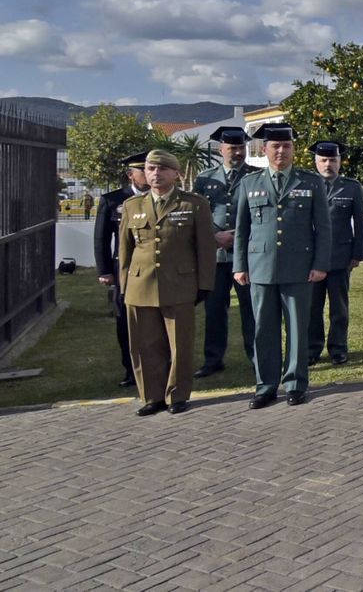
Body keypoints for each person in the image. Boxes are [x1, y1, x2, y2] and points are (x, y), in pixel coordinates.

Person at [232, 123, 331, 408]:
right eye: (275, 146)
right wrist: (240, 265)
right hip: (260, 267)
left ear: (294, 150)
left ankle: (296, 383)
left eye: (286, 146)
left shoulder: (310, 182)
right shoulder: (249, 183)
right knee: (264, 328)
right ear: (265, 150)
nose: (281, 151)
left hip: (299, 266)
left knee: (298, 328)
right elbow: (242, 229)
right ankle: (265, 385)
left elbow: (322, 228)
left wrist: (320, 264)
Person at [117, 150, 216, 415]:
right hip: (140, 285)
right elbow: (125, 250)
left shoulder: (194, 204)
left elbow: (205, 247)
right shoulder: (132, 206)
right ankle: (152, 396)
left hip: (179, 284)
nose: (155, 174)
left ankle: (177, 395)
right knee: (144, 344)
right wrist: (124, 284)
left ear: (176, 173)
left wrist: (204, 283)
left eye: (162, 169)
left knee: (180, 344)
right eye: (150, 169)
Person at [193, 126, 260, 377]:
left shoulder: (256, 176)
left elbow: (261, 213)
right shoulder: (205, 179)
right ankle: (213, 359)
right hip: (217, 257)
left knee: (251, 310)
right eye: (232, 148)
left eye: (241, 148)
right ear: (221, 150)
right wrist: (214, 236)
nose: (237, 153)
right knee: (215, 310)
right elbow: (198, 214)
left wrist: (240, 236)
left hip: (247, 255)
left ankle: (256, 356)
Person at [94, 151, 150, 388]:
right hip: (124, 271)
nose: (149, 174)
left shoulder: (160, 197)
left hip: (154, 270)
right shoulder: (114, 200)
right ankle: (130, 369)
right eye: (143, 171)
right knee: (125, 322)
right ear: (131, 175)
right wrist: (105, 271)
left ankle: (158, 366)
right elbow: (101, 239)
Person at [308, 140, 363, 366]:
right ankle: (312, 349)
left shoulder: (352, 187)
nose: (328, 164)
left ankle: (338, 348)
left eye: (332, 160)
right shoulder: (308, 185)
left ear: (340, 161)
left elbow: (360, 224)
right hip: (312, 258)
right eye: (323, 160)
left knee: (339, 307)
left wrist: (357, 255)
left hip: (340, 257)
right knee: (312, 307)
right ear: (316, 162)